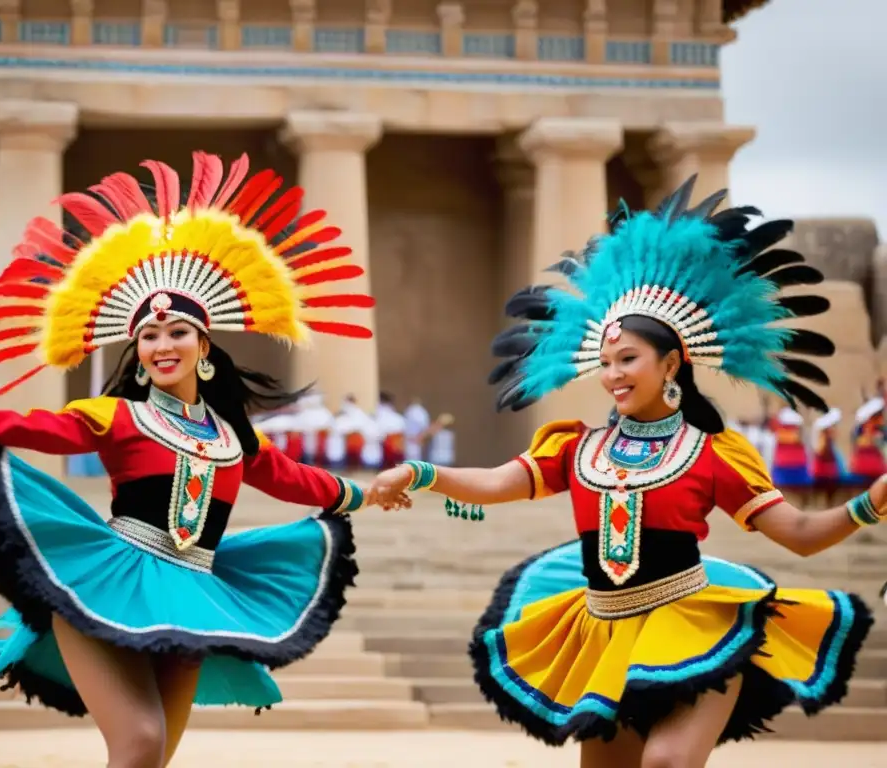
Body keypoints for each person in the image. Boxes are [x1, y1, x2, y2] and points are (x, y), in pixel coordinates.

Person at [0, 151, 380, 768]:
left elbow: (297, 480)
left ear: (204, 346)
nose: (161, 344)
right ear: (138, 351)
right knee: (139, 740)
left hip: (193, 592)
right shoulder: (117, 415)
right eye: (148, 335)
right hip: (110, 584)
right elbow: (42, 427)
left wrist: (369, 492)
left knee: (155, 756)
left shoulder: (234, 438)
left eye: (176, 333)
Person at [366, 178, 875, 766]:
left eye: (628, 359)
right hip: (606, 637)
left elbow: (801, 535)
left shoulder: (711, 451)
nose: (613, 375)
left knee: (665, 764)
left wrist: (875, 500)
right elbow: (501, 482)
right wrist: (422, 473)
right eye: (605, 363)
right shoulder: (578, 449)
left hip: (698, 629)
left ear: (673, 364)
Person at [809, 407, 846, 508]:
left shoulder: (830, 444)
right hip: (822, 475)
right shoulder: (822, 440)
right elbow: (819, 453)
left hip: (830, 474)